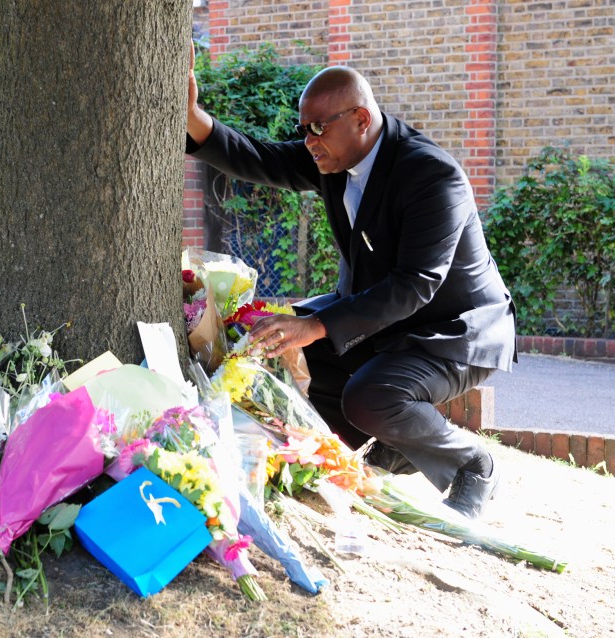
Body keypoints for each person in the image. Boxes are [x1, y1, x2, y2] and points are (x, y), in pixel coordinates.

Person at [186, 56, 516, 519]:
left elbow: (416, 284)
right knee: (282, 352)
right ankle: (382, 450)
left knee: (370, 395)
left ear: (361, 119)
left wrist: (318, 324)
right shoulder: (334, 156)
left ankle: (471, 465)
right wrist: (192, 118)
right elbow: (261, 158)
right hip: (382, 320)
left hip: (451, 331)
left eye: (318, 127)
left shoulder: (432, 177)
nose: (308, 141)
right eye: (304, 129)